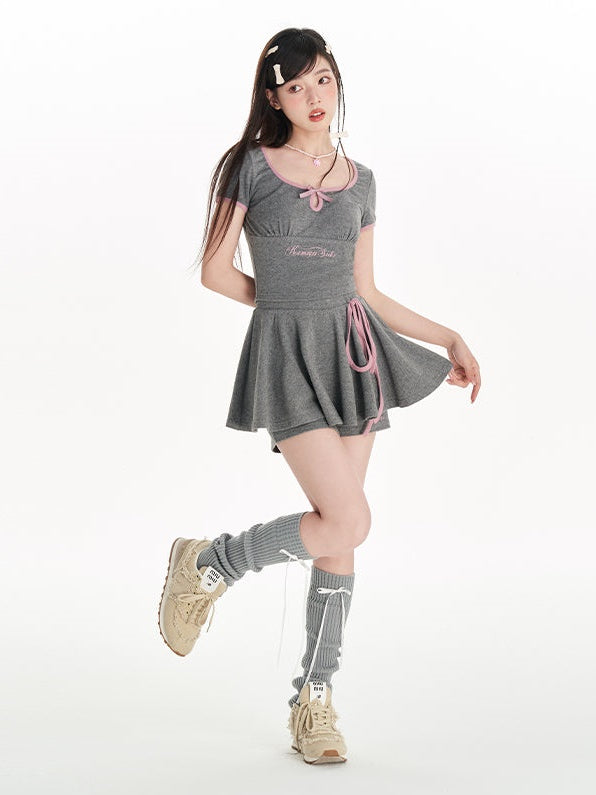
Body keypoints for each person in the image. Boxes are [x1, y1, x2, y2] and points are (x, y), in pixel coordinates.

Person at [158, 27, 481, 765]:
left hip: (354, 357)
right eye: (296, 85)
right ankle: (214, 563)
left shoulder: (362, 180)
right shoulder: (249, 167)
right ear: (274, 97)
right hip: (286, 357)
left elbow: (366, 290)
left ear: (337, 83)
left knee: (341, 532)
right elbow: (215, 271)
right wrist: (285, 308)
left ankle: (314, 698)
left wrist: (448, 336)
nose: (313, 96)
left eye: (323, 79)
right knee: (349, 518)